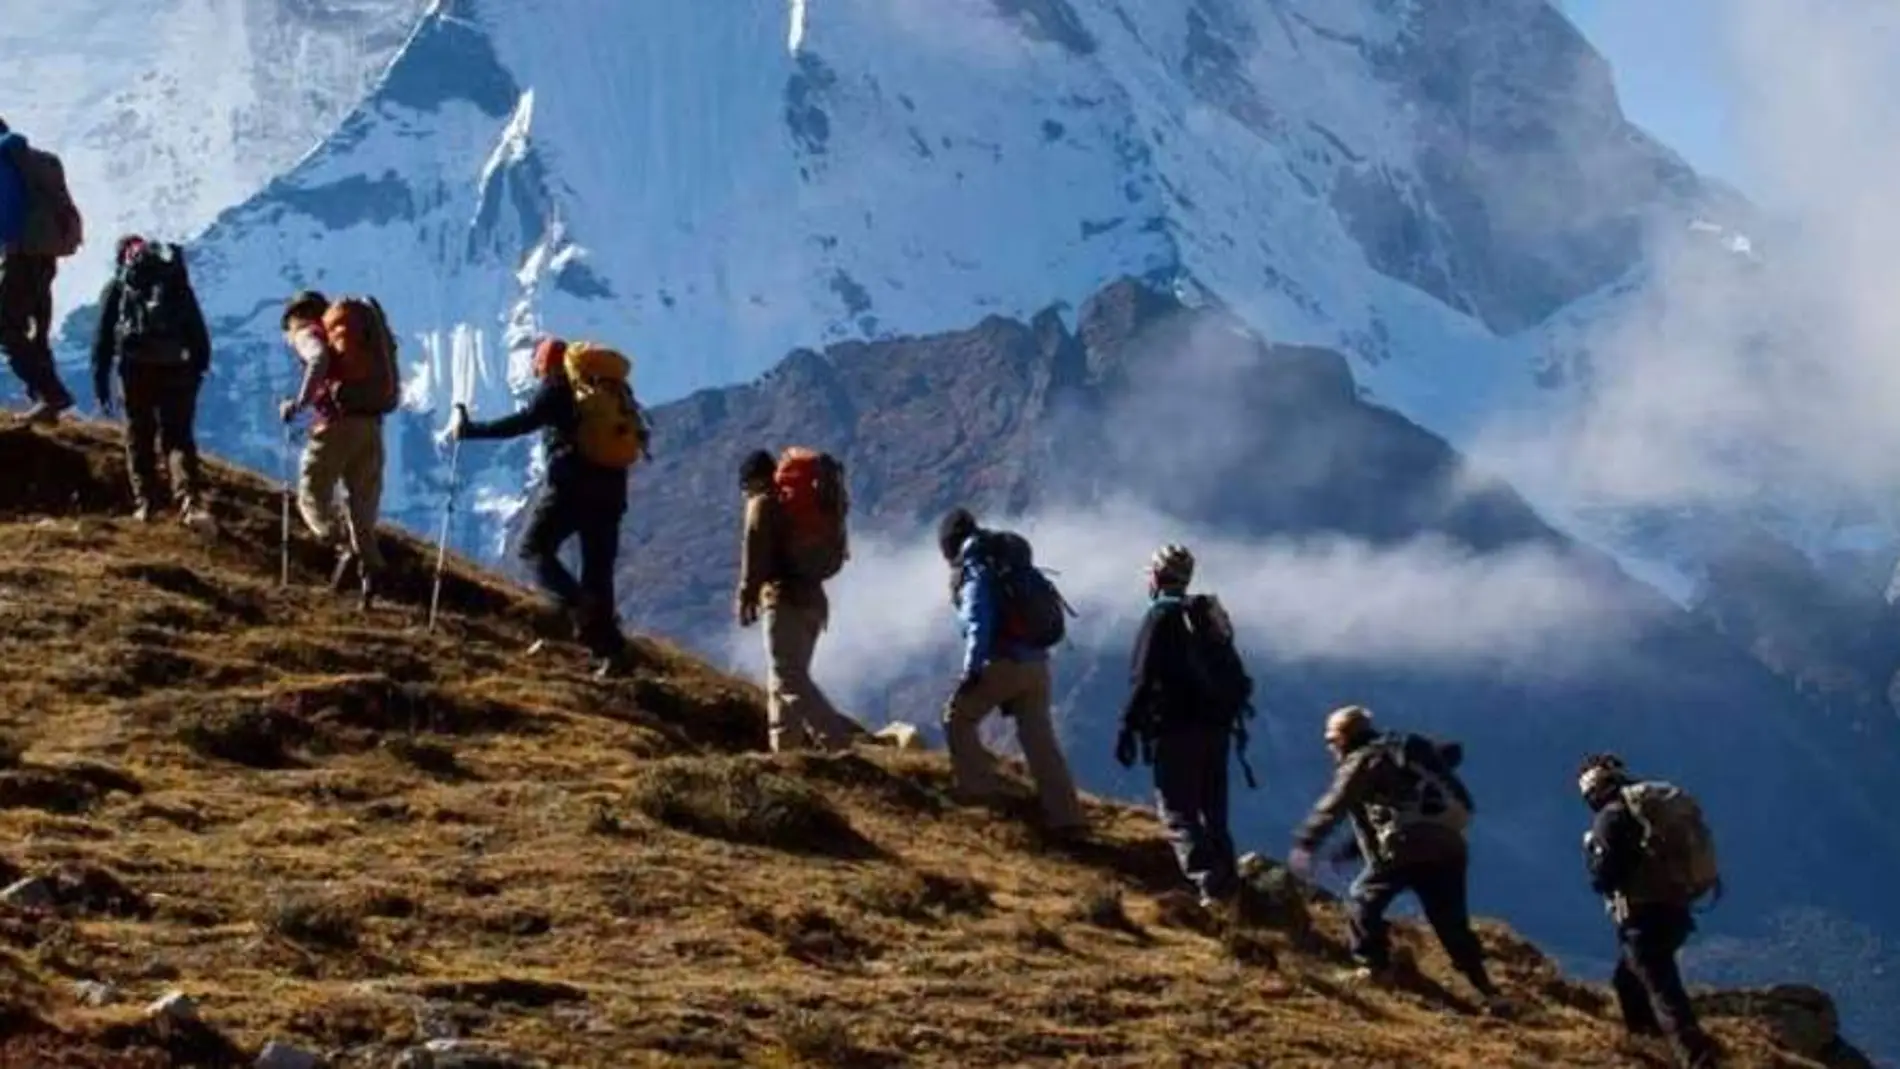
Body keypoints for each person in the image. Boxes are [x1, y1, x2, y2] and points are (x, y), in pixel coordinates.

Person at [450, 336, 645, 677]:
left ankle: (578, 607)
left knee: (534, 548)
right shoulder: (606, 390)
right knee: (598, 571)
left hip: (571, 488)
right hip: (612, 491)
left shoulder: (556, 388)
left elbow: (521, 422)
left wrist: (470, 431)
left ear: (544, 364)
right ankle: (612, 652)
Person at [1289, 705, 1506, 1011]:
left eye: (1331, 738)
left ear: (1344, 736)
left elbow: (1334, 805)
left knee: (1362, 898)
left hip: (1407, 843)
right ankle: (1488, 991)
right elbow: (1391, 812)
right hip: (1449, 844)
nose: (1329, 746)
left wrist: (1305, 843)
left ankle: (1373, 967)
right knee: (1450, 922)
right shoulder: (1403, 752)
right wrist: (1349, 852)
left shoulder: (1362, 760)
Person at [1115, 544, 1253, 908]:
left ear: (1157, 577)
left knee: (1178, 812)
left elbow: (1143, 677)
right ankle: (1230, 887)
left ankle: (1210, 887)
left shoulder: (1160, 618)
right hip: (1217, 729)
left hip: (1175, 729)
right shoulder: (1204, 618)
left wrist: (1127, 726)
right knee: (1213, 812)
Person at [937, 507, 1084, 835]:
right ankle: (1067, 816)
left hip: (1005, 662)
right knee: (1039, 740)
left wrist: (970, 671)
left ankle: (979, 795)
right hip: (1037, 664)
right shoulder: (1007, 559)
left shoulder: (975, 568)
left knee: (957, 718)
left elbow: (978, 621)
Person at [1578, 753, 1721, 1067]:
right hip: (1677, 909)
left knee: (1664, 995)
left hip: (1643, 917)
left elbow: (1605, 876)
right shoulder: (1648, 810)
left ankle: (1698, 1060)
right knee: (1628, 981)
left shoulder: (1611, 817)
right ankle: (1652, 1050)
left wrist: (1593, 855)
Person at [736, 448, 860, 751]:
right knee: (782, 680)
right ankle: (785, 752)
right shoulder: (796, 504)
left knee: (789, 677)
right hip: (814, 604)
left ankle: (838, 743)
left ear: (752, 480)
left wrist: (745, 595)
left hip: (783, 601)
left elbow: (754, 552)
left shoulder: (762, 502)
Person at [278, 290, 394, 610]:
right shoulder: (355, 340)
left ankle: (341, 545)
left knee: (311, 495)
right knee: (361, 507)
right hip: (371, 427)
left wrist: (299, 403)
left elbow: (318, 359)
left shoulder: (309, 332)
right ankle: (369, 579)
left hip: (336, 427)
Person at [92, 235, 212, 525]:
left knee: (139, 434)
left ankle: (147, 503)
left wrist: (101, 384)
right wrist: (197, 370)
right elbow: (198, 333)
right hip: (176, 367)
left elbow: (102, 341)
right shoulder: (175, 283)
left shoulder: (119, 286)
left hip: (134, 369)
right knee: (178, 437)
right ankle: (189, 501)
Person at [0, 117, 80, 424]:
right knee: (36, 330)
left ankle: (51, 395)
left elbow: (6, 211)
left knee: (7, 328)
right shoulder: (35, 160)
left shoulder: (4, 161)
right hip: (45, 255)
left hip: (21, 254)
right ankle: (46, 405)